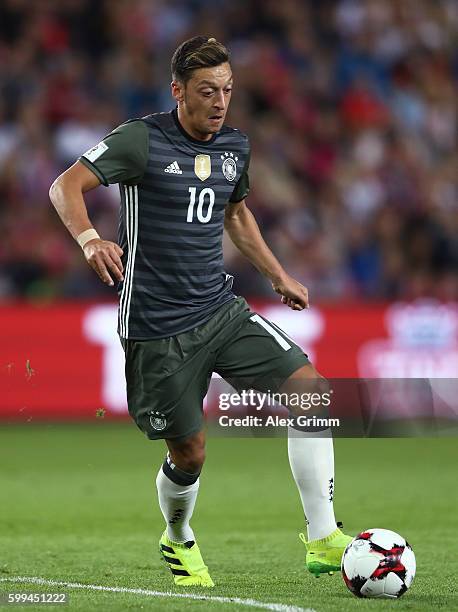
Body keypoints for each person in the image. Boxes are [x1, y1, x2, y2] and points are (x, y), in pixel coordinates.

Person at [49, 36, 351, 587]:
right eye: (207, 90)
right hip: (157, 328)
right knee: (190, 453)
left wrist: (279, 276)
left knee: (314, 393)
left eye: (227, 91)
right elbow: (65, 185)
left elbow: (236, 216)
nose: (219, 102)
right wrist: (91, 238)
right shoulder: (141, 140)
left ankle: (324, 537)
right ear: (178, 91)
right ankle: (179, 535)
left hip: (219, 309)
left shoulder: (236, 146)